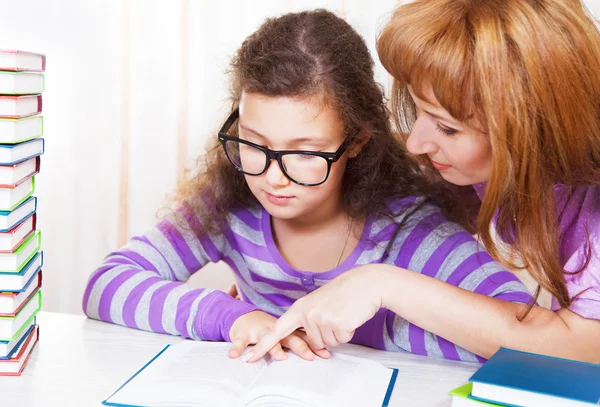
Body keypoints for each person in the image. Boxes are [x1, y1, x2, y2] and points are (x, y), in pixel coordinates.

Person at [82, 9, 532, 363]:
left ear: (355, 141)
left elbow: (521, 336)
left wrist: (376, 328)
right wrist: (234, 318)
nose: (272, 177)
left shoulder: (408, 232)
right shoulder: (229, 205)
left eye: (305, 152)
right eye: (253, 143)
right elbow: (106, 286)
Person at [248, 0, 600, 364]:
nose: (416, 143)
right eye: (418, 110)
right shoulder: (500, 167)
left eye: (447, 127)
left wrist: (382, 284)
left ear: (533, 128)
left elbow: (583, 352)